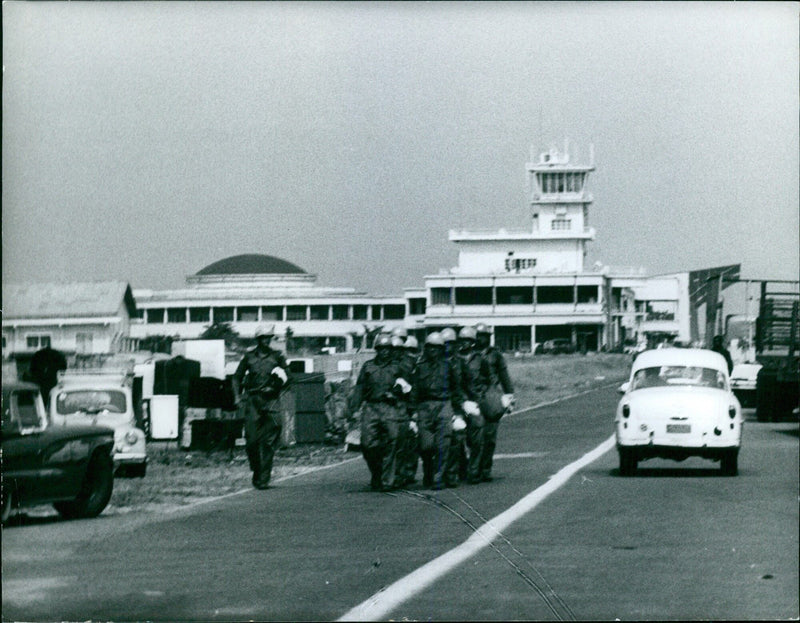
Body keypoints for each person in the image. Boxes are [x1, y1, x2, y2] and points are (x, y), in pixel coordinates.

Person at [232, 324, 290, 490]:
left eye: (269, 338)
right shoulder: (249, 357)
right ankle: (257, 470)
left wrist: (275, 386)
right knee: (251, 441)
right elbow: (236, 378)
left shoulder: (277, 356)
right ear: (258, 339)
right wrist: (237, 396)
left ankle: (264, 478)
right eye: (263, 338)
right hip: (253, 401)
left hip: (271, 401)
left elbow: (288, 378)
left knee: (269, 442)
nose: (266, 340)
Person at [350, 334, 411, 491]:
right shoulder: (368, 366)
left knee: (393, 441)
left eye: (388, 349)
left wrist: (397, 393)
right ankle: (376, 473)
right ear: (376, 349)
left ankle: (387, 481)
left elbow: (408, 388)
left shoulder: (398, 367)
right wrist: (354, 410)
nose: (385, 352)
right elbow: (359, 389)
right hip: (371, 407)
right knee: (368, 444)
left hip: (390, 408)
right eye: (381, 349)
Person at [412, 332, 466, 489]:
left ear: (441, 349)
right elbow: (415, 390)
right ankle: (428, 472)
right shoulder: (419, 367)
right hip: (424, 407)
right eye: (430, 348)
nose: (433, 351)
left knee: (443, 444)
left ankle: (438, 477)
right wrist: (413, 411)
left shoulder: (448, 366)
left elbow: (456, 389)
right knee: (426, 446)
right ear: (426, 349)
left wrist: (458, 411)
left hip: (444, 405)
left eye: (437, 348)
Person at [475, 323, 514, 482]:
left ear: (488, 337)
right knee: (474, 437)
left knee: (489, 436)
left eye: (484, 336)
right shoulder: (469, 353)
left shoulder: (495, 355)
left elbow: (504, 376)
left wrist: (510, 397)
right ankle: (472, 468)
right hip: (475, 394)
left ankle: (485, 469)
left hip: (491, 395)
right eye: (478, 336)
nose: (481, 339)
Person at [456, 326, 489, 484]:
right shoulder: (453, 359)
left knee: (477, 436)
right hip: (458, 402)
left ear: (473, 342)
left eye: (468, 340)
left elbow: (488, 379)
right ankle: (462, 467)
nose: (465, 343)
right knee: (457, 437)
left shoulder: (480, 359)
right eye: (462, 340)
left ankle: (474, 470)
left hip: (475, 402)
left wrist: (481, 395)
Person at [395, 335, 421, 487]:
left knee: (410, 439)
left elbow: (415, 388)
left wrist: (413, 409)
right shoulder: (396, 365)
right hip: (396, 405)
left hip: (409, 405)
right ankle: (399, 472)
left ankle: (407, 472)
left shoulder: (413, 365)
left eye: (413, 350)